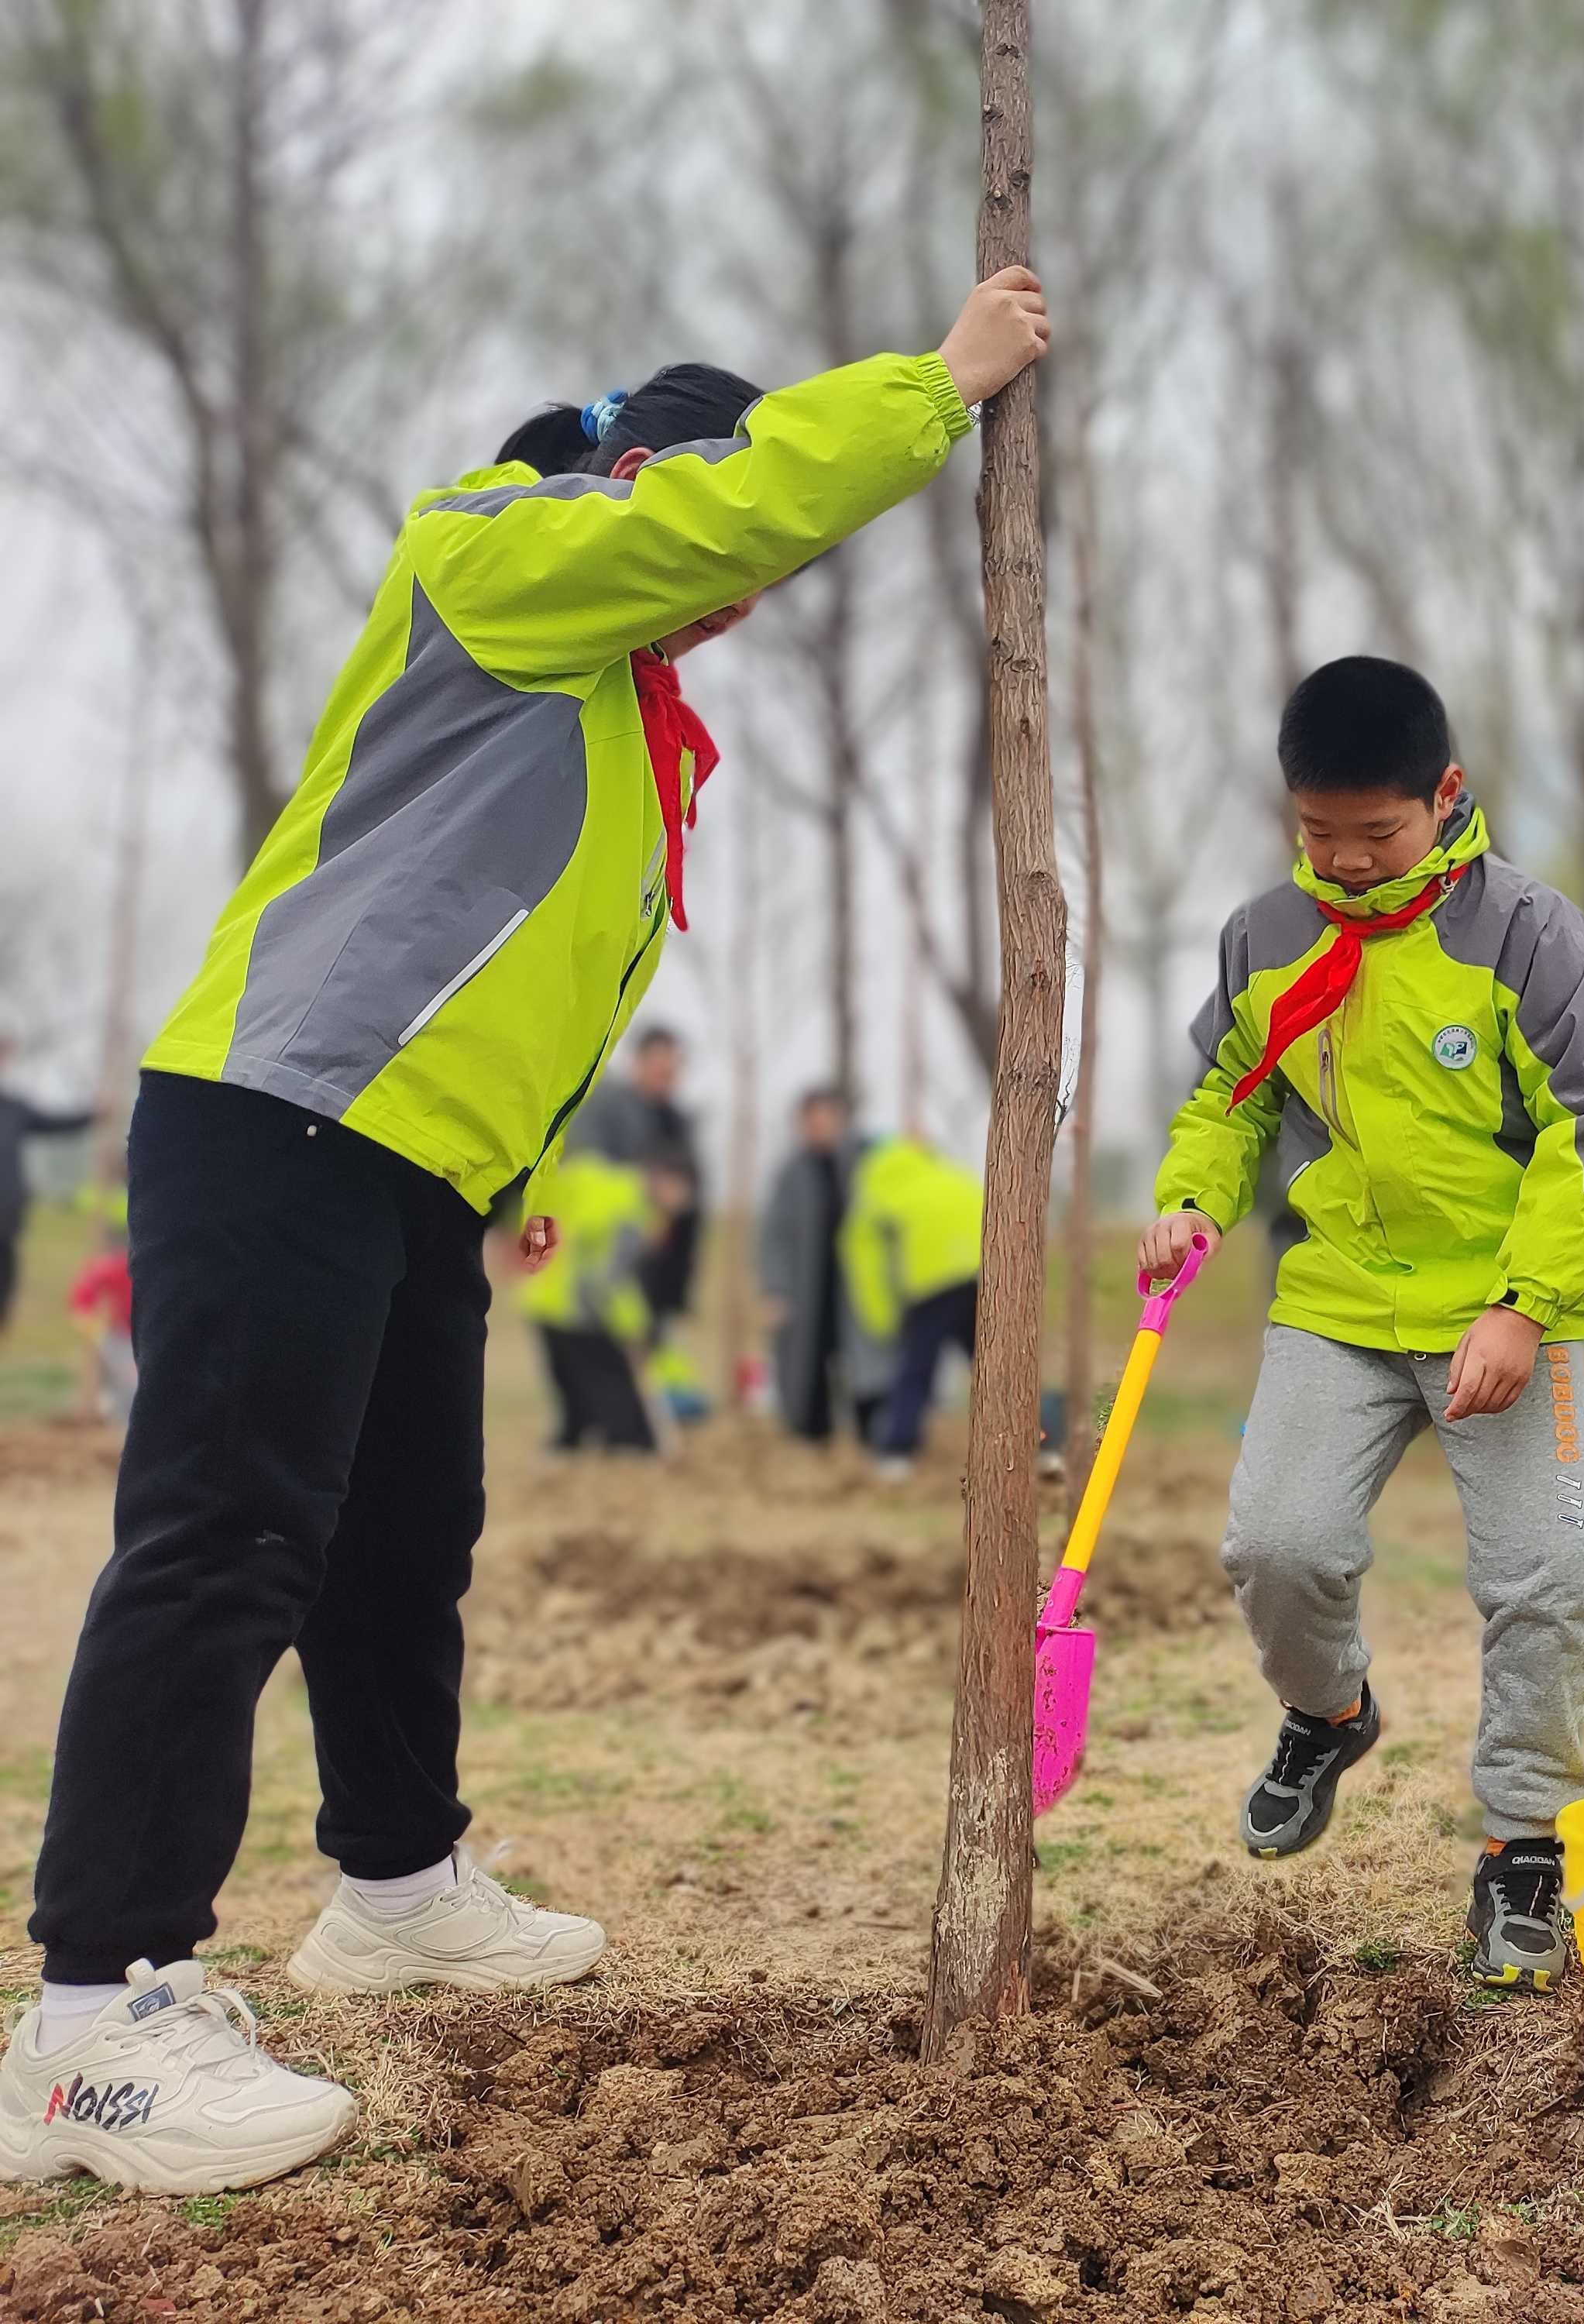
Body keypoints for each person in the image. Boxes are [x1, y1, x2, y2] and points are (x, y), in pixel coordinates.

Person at [0, 270, 1052, 2199]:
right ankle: (89, 2019)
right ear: (639, 477)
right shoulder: (495, 551)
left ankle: (396, 1886)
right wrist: (936, 387)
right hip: (281, 1114)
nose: (732, 599)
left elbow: (527, 963)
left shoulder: (614, 716)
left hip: (411, 1160)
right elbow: (719, 510)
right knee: (229, 1534)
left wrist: (521, 1174)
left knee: (405, 1536)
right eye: (720, 548)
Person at [1139, 655, 1584, 1992]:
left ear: (1447, 794)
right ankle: (1329, 1711)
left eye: (1377, 832)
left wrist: (1526, 1307)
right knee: (1276, 1545)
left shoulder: (1529, 933)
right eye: (1320, 832)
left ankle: (1524, 1846)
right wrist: (1190, 1200)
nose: (1348, 862)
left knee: (1549, 1576)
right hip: (1342, 1299)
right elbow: (1230, 1093)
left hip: (1507, 1305)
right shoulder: (1266, 936)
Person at [575, 1024, 704, 1410]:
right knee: (612, 1337)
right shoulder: (608, 1107)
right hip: (616, 1251)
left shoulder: (679, 1120)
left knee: (657, 1334)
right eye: (659, 1065)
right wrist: (645, 1196)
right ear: (639, 1062)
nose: (666, 1075)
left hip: (666, 1256)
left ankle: (658, 1408)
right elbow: (586, 1170)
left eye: (673, 1068)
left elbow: (692, 1183)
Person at [841, 1130, 984, 1472]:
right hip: (981, 1274)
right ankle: (1039, 1440)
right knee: (994, 1366)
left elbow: (866, 1264)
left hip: (930, 1282)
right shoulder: (942, 1170)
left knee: (915, 1370)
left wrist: (886, 1323)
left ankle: (897, 1451)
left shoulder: (873, 1189)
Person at [519, 1150, 664, 1453]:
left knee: (570, 1379)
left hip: (546, 1295)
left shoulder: (596, 1183)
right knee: (606, 1378)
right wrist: (634, 1325)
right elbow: (611, 1276)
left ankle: (574, 1437)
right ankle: (625, 1441)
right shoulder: (629, 1210)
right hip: (579, 1306)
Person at [759, 1087, 864, 1442]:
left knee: (857, 1358)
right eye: (812, 1121)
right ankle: (808, 1429)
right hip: (807, 1285)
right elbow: (773, 1235)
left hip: (853, 1285)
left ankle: (860, 1427)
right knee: (805, 1358)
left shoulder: (859, 1165)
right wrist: (775, 1289)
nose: (819, 1128)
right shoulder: (791, 1174)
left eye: (826, 1120)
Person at [0, 1036, 98, 1327]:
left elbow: (56, 1124)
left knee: (5, 1261)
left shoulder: (14, 1109)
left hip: (7, 1204)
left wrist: (94, 1114)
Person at [65, 1202, 134, 1426]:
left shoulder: (130, 1265)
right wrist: (88, 1318)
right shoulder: (114, 1267)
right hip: (119, 1335)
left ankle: (118, 1420)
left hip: (141, 1334)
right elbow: (85, 1291)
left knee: (128, 1383)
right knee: (126, 1382)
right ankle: (117, 1422)